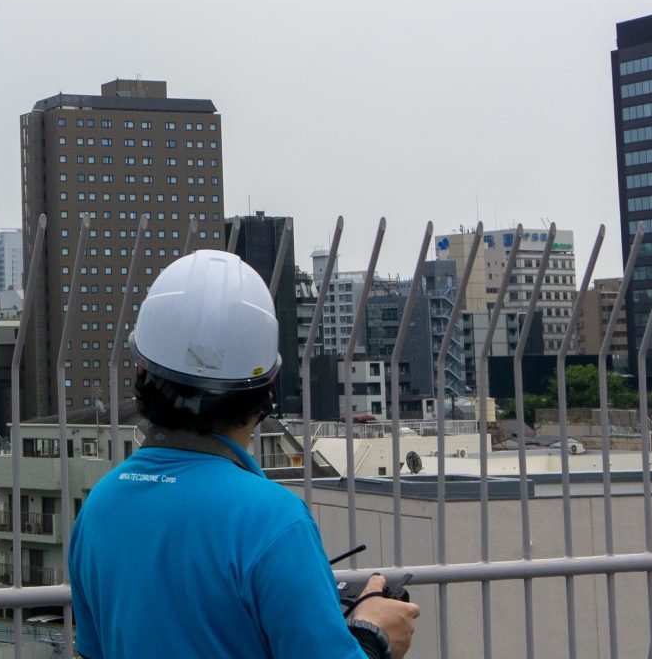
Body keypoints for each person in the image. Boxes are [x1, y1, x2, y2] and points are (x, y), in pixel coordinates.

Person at [68, 249, 421, 659]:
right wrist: (374, 635)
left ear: (142, 373)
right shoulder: (272, 520)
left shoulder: (100, 505)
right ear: (265, 392)